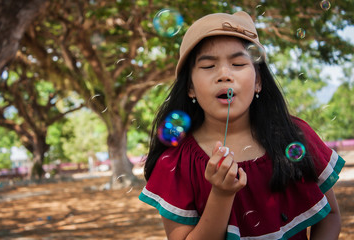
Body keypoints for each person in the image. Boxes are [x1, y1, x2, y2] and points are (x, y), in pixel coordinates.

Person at [139, 11, 345, 240]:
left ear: (258, 81)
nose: (224, 74)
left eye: (237, 63)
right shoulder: (175, 162)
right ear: (190, 87)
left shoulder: (294, 136)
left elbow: (331, 216)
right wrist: (220, 195)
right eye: (208, 66)